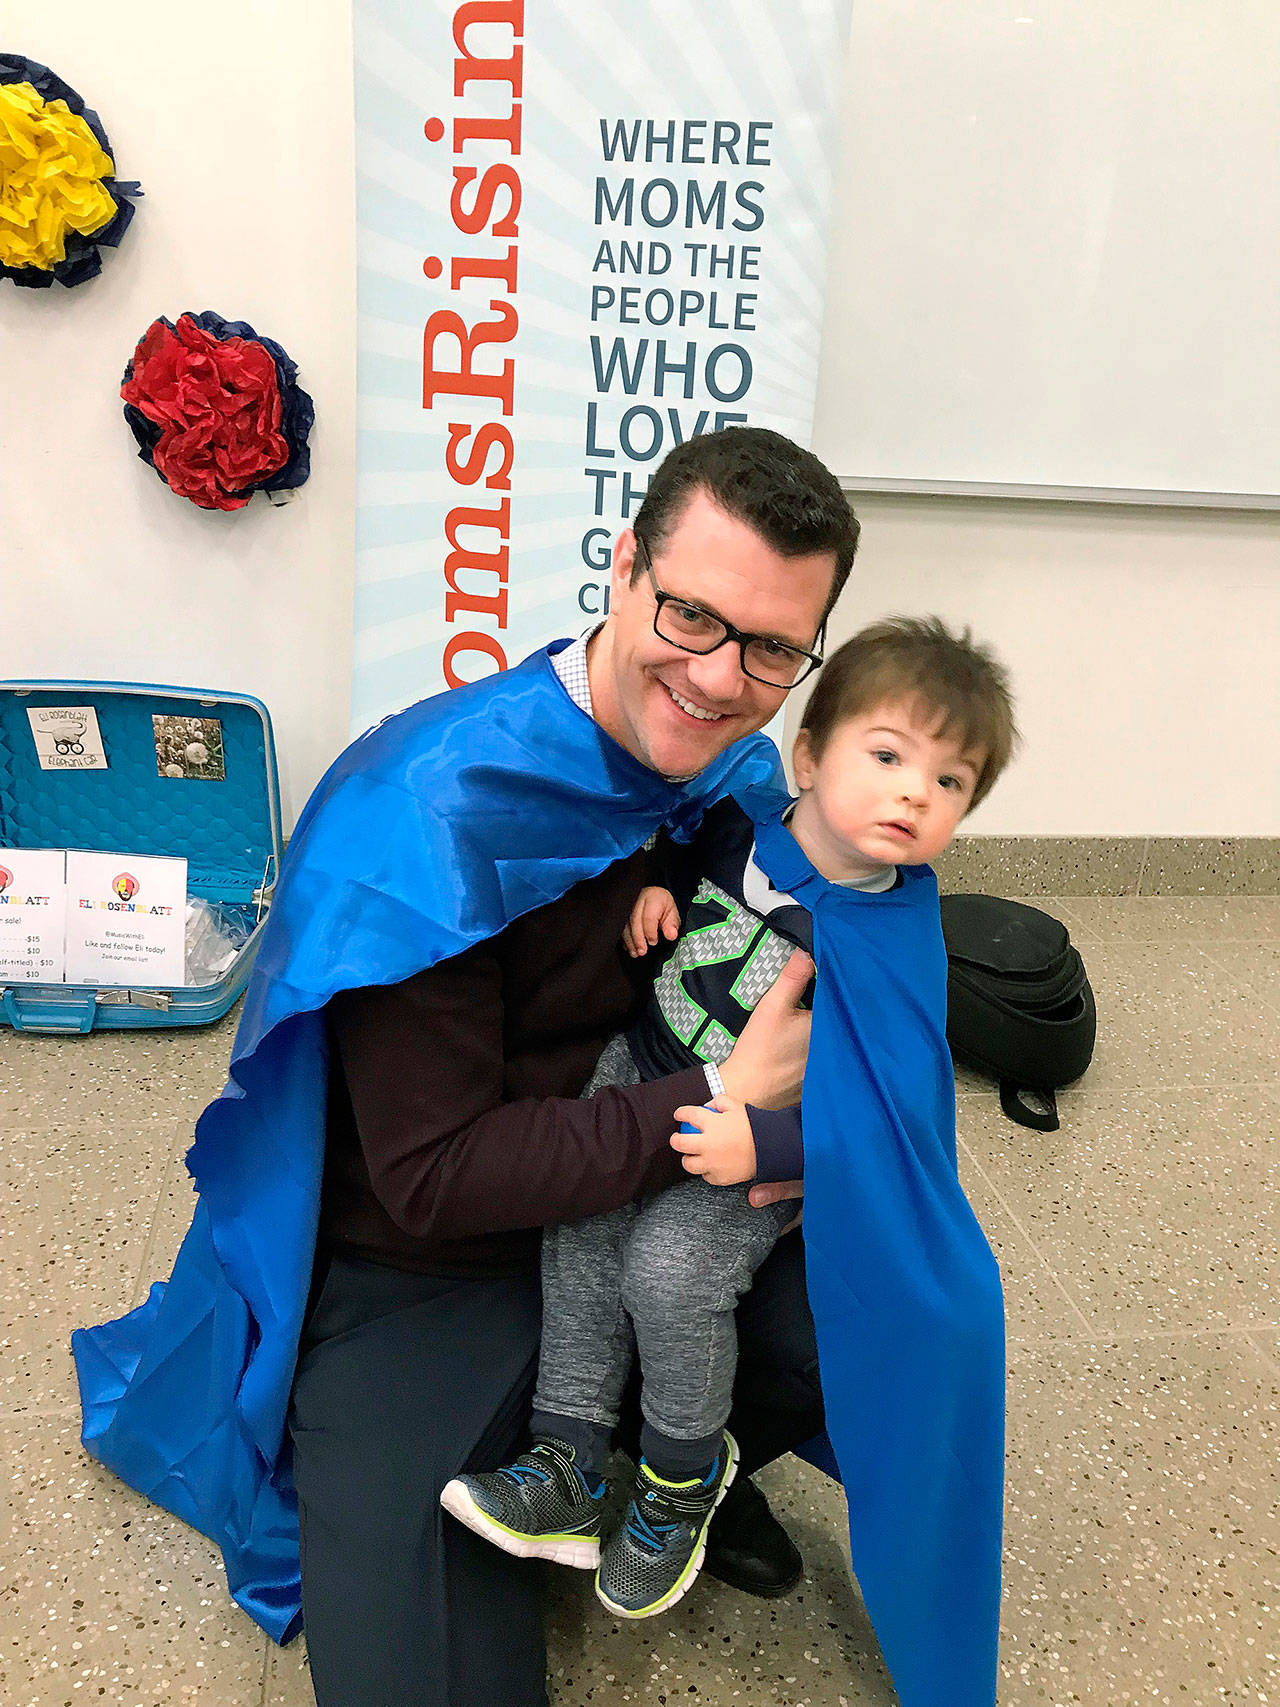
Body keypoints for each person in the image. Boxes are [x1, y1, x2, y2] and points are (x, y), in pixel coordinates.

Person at [74, 426, 860, 1707]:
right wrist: (718, 1102)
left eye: (771, 647)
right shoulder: (434, 815)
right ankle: (597, 1455)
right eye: (691, 615)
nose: (719, 682)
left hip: (640, 1197)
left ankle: (665, 1461)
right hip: (428, 1266)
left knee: (872, 1321)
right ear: (621, 568)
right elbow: (429, 1179)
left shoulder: (728, 772)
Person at [440, 617, 1017, 1623]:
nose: (912, 793)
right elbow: (679, 845)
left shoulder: (891, 937)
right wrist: (654, 888)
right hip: (646, 1069)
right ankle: (566, 1459)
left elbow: (891, 1122)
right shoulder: (743, 820)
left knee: (667, 1276)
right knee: (578, 1234)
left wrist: (771, 1144)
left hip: (748, 1150)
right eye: (885, 756)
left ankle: (679, 1479)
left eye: (949, 781)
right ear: (808, 755)